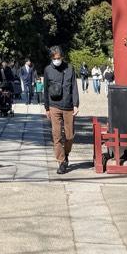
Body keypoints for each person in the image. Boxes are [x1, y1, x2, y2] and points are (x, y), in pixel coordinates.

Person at [43, 45, 79, 175]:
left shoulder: (70, 68)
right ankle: (61, 162)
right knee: (56, 135)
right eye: (54, 58)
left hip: (68, 106)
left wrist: (76, 104)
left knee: (69, 136)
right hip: (54, 106)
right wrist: (46, 107)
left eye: (58, 58)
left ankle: (66, 154)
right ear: (51, 58)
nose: (56, 60)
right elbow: (45, 89)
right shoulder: (48, 70)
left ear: (62, 57)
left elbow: (74, 86)